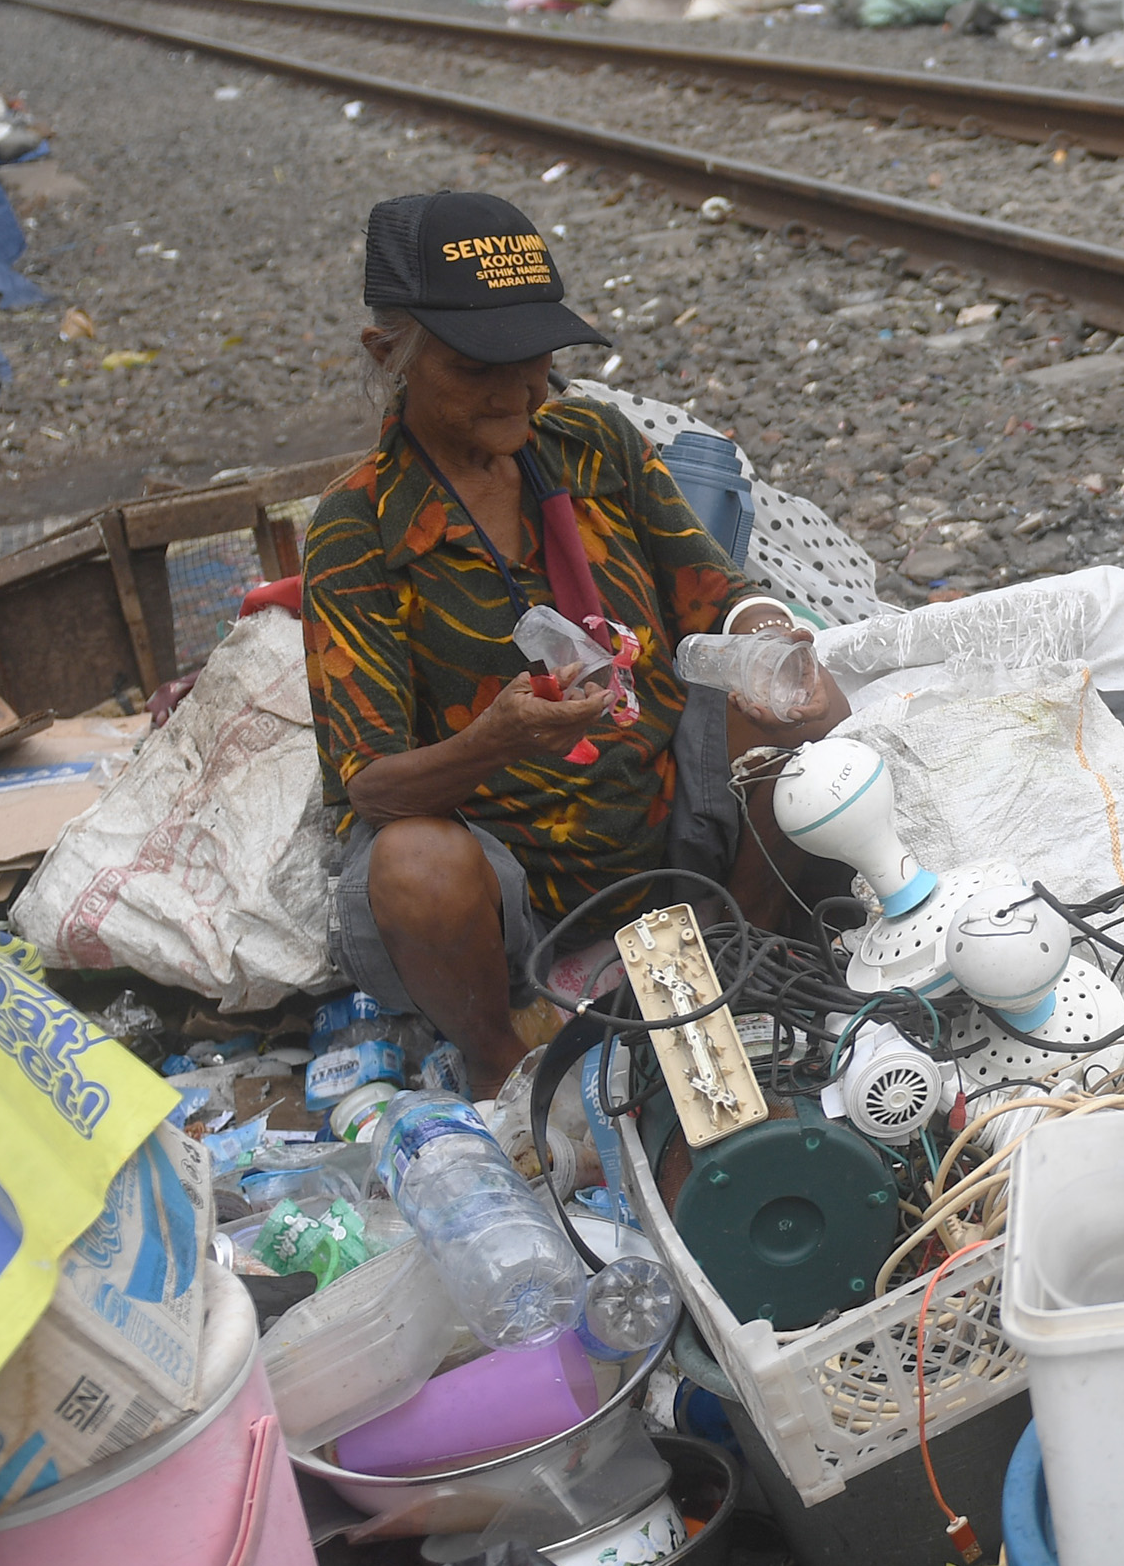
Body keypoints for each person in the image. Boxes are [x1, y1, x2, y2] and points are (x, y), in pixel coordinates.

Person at [303, 190, 840, 1079]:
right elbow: (373, 787)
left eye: (537, 354)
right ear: (389, 357)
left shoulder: (591, 439)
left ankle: (734, 958)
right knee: (411, 864)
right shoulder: (358, 525)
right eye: (481, 362)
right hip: (511, 894)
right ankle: (501, 1063)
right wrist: (495, 740)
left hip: (670, 827)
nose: (523, 386)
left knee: (807, 712)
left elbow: (716, 589)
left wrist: (769, 632)